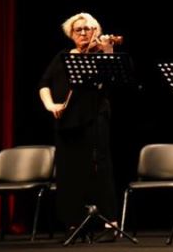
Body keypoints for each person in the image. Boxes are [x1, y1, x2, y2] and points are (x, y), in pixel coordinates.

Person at [38, 12, 119, 239]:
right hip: (66, 120)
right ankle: (73, 223)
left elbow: (108, 81)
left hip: (94, 117)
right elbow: (44, 84)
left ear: (96, 31)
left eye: (87, 28)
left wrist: (108, 50)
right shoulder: (62, 56)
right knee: (69, 171)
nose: (83, 33)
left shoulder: (99, 54)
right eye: (78, 29)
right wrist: (51, 104)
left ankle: (110, 224)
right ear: (70, 34)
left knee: (100, 168)